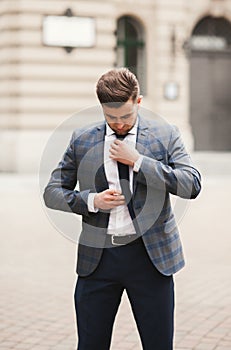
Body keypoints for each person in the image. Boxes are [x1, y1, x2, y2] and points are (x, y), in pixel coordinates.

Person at [43, 68, 201, 350]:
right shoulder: (82, 139)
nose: (118, 124)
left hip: (151, 259)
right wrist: (92, 201)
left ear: (138, 102)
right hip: (98, 260)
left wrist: (139, 161)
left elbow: (192, 184)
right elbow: (52, 192)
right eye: (110, 117)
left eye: (126, 116)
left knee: (158, 344)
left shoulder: (166, 135)